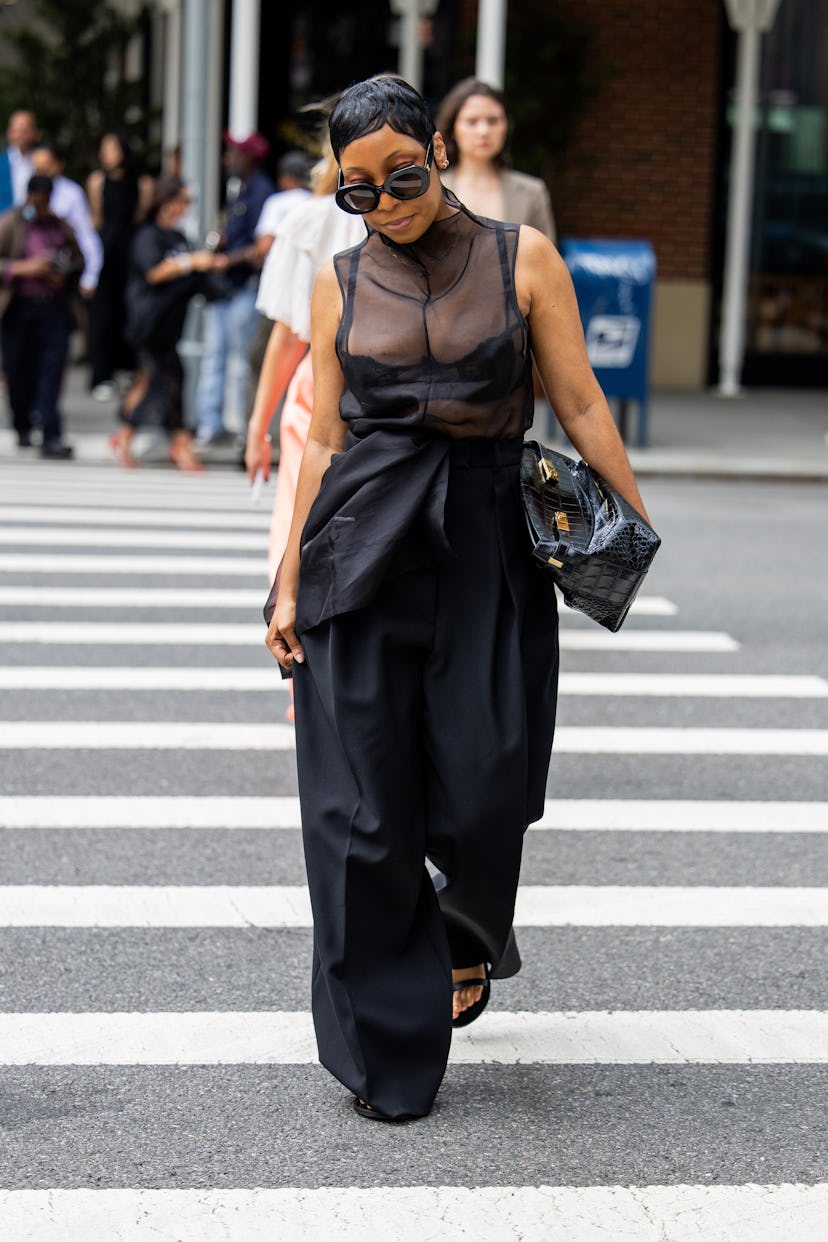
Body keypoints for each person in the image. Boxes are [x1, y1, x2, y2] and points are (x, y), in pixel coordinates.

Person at [265, 75, 649, 1123]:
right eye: (360, 191)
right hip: (366, 535)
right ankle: (387, 1046)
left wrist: (630, 517)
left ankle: (466, 933)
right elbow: (328, 439)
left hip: (487, 536)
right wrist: (289, 576)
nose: (387, 201)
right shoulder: (340, 280)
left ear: (436, 150)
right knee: (361, 806)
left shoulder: (521, 256)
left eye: (403, 175)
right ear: (338, 194)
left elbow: (575, 397)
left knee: (489, 777)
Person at [244, 146, 366, 723]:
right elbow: (288, 335)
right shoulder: (309, 222)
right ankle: (302, 664)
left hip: (384, 401)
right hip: (315, 393)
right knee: (301, 528)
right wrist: (258, 424)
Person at [109, 174, 225, 471]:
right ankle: (181, 443)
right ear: (166, 202)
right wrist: (189, 262)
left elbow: (194, 279)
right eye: (183, 200)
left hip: (171, 325)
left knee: (152, 381)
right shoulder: (148, 235)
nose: (186, 207)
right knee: (169, 379)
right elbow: (153, 273)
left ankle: (125, 437)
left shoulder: (179, 238)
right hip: (149, 322)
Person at [193, 131, 275, 447]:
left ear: (249, 157)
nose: (228, 159)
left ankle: (242, 426)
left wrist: (228, 259)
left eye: (234, 153)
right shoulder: (239, 191)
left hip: (243, 287)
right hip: (226, 289)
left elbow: (261, 246)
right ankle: (210, 425)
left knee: (241, 361)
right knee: (215, 357)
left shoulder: (262, 192)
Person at [0, 173, 82, 457]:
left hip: (54, 306)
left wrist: (64, 275)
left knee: (52, 370)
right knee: (19, 368)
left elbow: (78, 261)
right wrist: (24, 268)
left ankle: (51, 433)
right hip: (19, 305)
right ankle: (23, 424)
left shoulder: (59, 226)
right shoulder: (12, 222)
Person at [435, 77, 555, 239]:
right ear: (453, 128)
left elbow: (546, 260)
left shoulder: (533, 192)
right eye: (472, 121)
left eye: (493, 121)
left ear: (506, 126)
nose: (484, 131)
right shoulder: (434, 189)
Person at [86, 132, 154, 399]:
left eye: (111, 148)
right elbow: (96, 219)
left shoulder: (142, 183)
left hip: (132, 252)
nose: (106, 154)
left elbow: (141, 215)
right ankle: (102, 374)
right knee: (103, 315)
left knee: (132, 310)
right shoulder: (97, 181)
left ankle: (130, 368)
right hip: (107, 251)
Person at [31, 143, 103, 299]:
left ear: (58, 165)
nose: (41, 171)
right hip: (28, 278)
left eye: (45, 166)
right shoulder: (27, 190)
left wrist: (90, 275)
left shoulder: (71, 194)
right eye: (37, 167)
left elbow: (84, 233)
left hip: (61, 273)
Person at [0, 111, 39, 213]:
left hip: (36, 224)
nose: (21, 135)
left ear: (35, 133)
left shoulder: (42, 163)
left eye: (25, 130)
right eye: (18, 130)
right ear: (9, 132)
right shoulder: (1, 164)